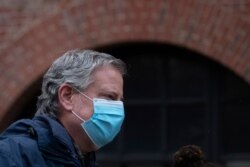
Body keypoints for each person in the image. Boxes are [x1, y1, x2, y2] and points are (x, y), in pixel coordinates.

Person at [0, 49, 127, 167]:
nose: (118, 108)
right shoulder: (10, 156)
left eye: (120, 101)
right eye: (110, 97)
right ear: (67, 96)